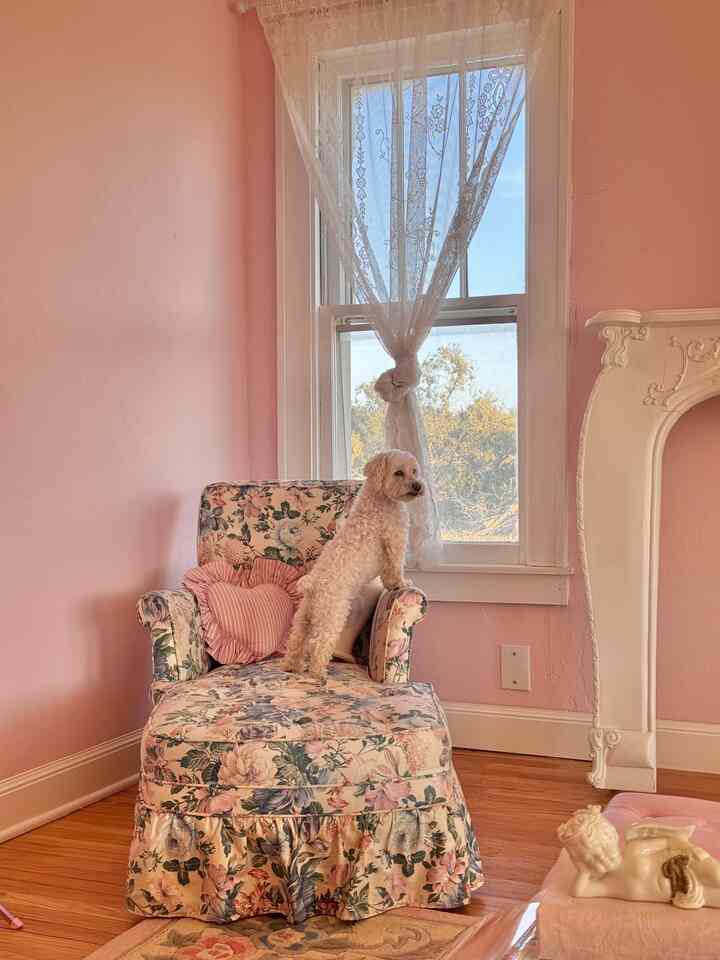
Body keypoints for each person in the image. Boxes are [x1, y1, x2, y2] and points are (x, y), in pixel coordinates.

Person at [557, 805, 720, 910]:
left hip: (683, 866)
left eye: (605, 849)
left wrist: (690, 848)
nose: (603, 858)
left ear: (612, 837)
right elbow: (579, 891)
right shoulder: (610, 885)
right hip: (683, 893)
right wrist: (583, 870)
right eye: (592, 857)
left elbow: (670, 842)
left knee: (716, 876)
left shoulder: (634, 850)